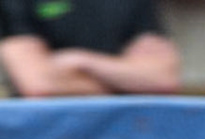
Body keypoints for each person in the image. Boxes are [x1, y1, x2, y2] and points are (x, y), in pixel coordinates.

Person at [0, 0, 179, 97]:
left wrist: (79, 61)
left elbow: (162, 78)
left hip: (122, 133)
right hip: (46, 134)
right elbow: (37, 85)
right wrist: (130, 81)